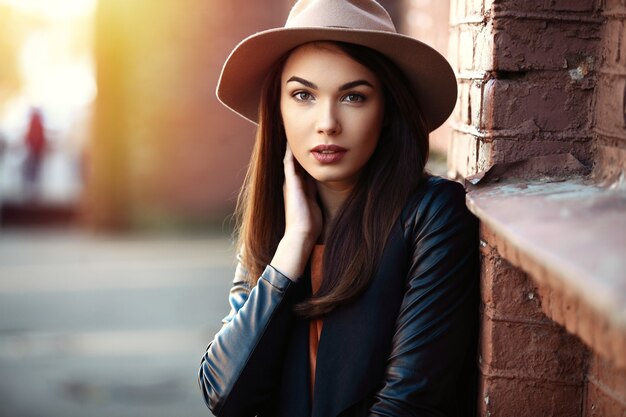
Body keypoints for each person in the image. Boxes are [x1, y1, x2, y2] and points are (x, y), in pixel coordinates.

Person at [198, 1, 479, 416]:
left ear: (386, 111)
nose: (327, 122)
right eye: (302, 95)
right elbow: (224, 393)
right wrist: (294, 246)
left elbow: (407, 405)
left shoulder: (433, 215)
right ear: (278, 109)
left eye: (353, 96)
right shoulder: (277, 226)